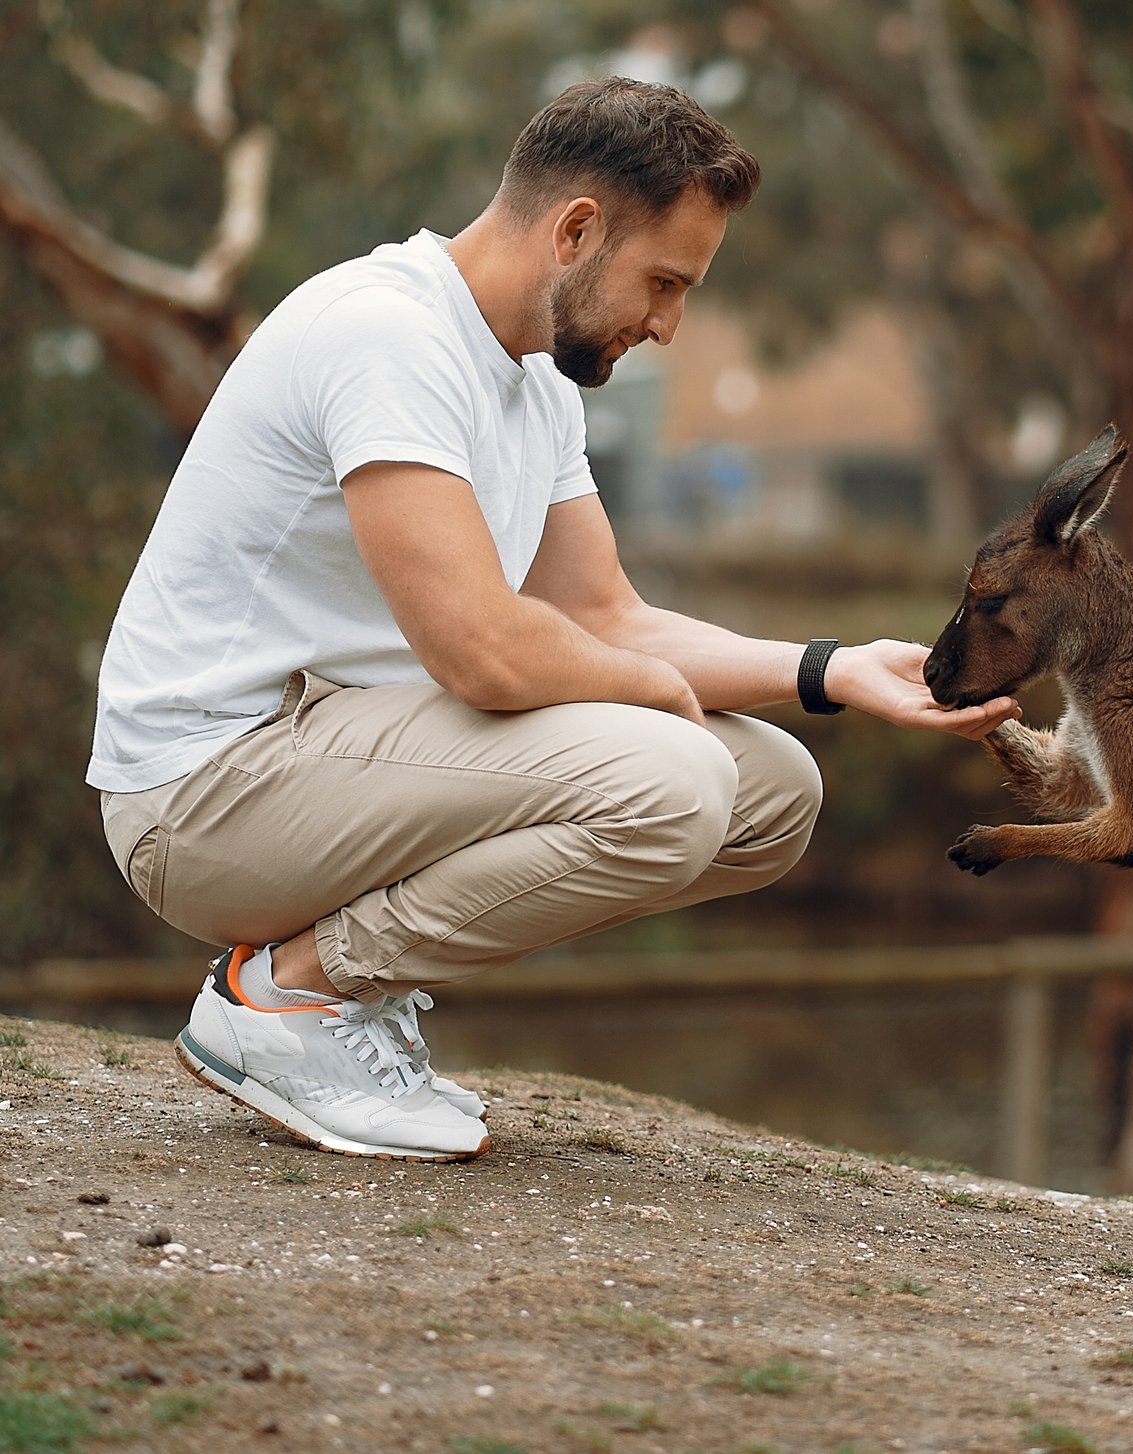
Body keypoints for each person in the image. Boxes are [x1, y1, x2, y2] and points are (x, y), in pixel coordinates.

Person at [86, 78, 1018, 1164]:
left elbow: (604, 616)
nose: (669, 325)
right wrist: (657, 701)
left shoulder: (540, 385)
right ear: (576, 230)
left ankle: (324, 992)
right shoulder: (388, 335)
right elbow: (479, 647)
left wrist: (830, 667)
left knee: (767, 794)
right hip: (202, 795)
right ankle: (288, 1000)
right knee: (675, 779)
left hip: (332, 757)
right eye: (662, 282)